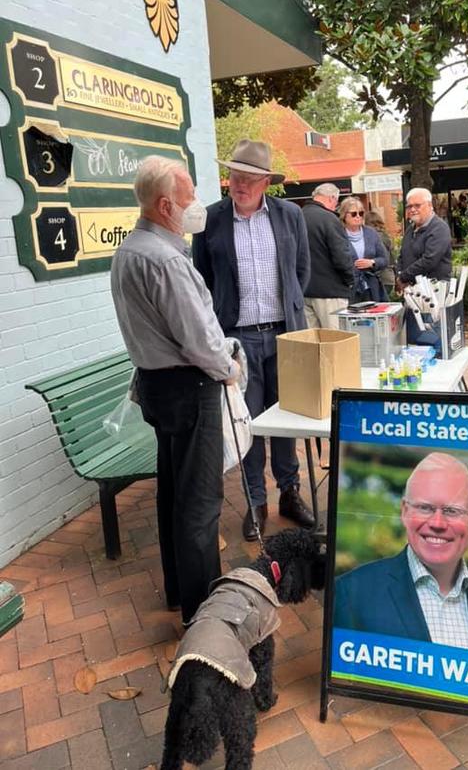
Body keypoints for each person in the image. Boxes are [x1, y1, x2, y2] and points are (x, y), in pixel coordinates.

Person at [111, 156, 240, 626]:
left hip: (157, 387)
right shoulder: (165, 259)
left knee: (174, 494)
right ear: (166, 205)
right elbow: (198, 339)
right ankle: (204, 614)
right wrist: (229, 368)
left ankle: (179, 593)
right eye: (188, 198)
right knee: (200, 501)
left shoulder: (131, 250)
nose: (195, 206)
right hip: (189, 387)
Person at [193, 139, 315, 541]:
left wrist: (291, 312)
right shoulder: (211, 220)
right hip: (238, 341)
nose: (238, 185)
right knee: (246, 423)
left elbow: (302, 271)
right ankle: (256, 501)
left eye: (248, 179)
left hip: (284, 336)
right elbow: (203, 279)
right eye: (234, 177)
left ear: (265, 182)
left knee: (286, 419)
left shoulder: (289, 215)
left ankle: (290, 492)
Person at [334, 453, 468, 658]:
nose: (437, 524)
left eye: (452, 510)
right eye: (424, 508)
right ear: (404, 511)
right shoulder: (350, 594)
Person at [397, 187, 452, 346]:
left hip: (434, 294)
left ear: (429, 205)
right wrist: (399, 274)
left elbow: (430, 260)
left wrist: (403, 276)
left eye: (417, 205)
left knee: (434, 340)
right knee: (414, 339)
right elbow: (402, 255)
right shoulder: (410, 229)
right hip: (413, 294)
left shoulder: (439, 228)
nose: (412, 209)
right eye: (409, 206)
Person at [302, 183, 354, 328]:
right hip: (331, 292)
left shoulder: (298, 216)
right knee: (336, 342)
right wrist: (350, 280)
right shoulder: (329, 219)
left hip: (304, 291)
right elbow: (341, 257)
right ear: (332, 198)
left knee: (312, 344)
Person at [339, 196, 388, 303]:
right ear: (344, 215)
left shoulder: (371, 233)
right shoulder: (339, 234)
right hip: (349, 289)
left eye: (361, 213)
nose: (358, 217)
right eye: (353, 214)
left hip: (371, 288)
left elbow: (384, 259)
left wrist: (372, 262)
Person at [364, 210, 396, 298]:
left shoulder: (374, 237)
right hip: (388, 277)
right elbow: (392, 258)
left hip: (381, 278)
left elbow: (382, 258)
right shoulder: (385, 236)